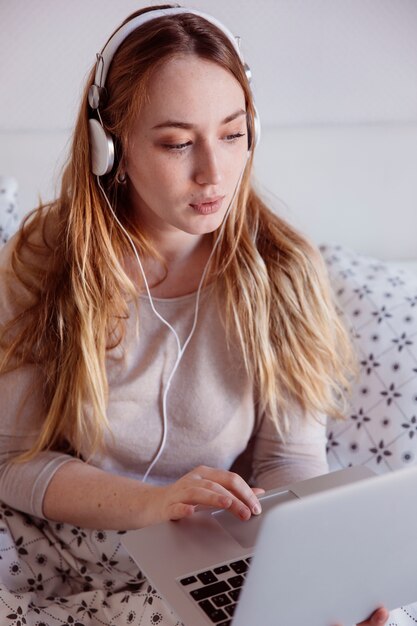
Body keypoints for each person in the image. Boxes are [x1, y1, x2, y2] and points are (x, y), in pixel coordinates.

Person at [0, 4, 389, 625]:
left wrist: (322, 580)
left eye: (233, 134)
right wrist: (157, 504)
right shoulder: (43, 261)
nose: (214, 173)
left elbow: (290, 465)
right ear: (111, 147)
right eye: (178, 143)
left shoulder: (283, 267)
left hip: (214, 551)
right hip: (74, 535)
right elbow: (12, 462)